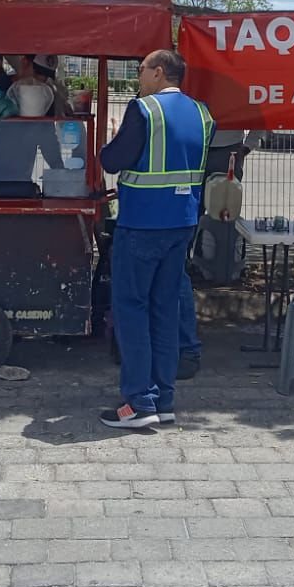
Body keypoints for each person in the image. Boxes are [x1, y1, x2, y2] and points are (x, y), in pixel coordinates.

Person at [97, 48, 213, 429]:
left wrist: (110, 140)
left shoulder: (144, 110)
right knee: (165, 310)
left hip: (142, 224)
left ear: (159, 72)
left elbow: (113, 160)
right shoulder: (202, 114)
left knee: (132, 310)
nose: (139, 76)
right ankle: (164, 400)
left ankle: (138, 403)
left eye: (141, 69)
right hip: (182, 225)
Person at [177, 126, 268, 380]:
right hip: (197, 147)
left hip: (228, 149)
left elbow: (260, 113)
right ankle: (188, 263)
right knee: (188, 216)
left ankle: (221, 269)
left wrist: (247, 146)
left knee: (224, 216)